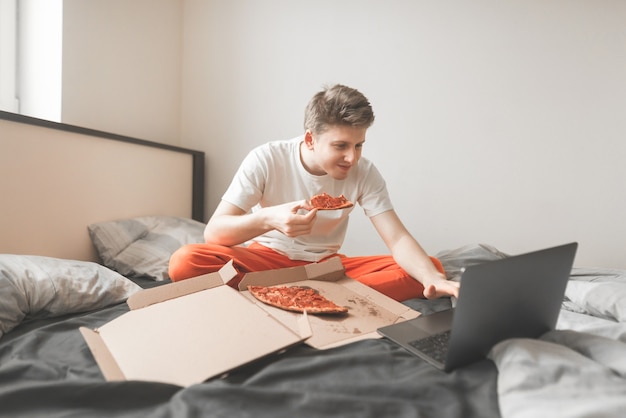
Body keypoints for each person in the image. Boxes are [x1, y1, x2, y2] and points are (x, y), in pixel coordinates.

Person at [168, 84, 459, 302]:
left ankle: (301, 295)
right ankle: (324, 295)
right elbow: (215, 234)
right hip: (265, 261)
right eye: (341, 146)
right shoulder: (267, 158)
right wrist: (269, 219)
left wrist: (432, 278)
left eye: (359, 145)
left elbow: (397, 238)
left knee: (429, 268)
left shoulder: (365, 173)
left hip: (325, 268)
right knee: (185, 261)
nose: (352, 158)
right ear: (310, 139)